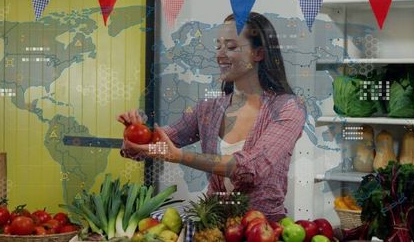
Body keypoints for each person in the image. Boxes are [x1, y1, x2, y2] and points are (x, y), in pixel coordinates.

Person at [117, 12, 306, 221]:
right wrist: (137, 134)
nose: (220, 55)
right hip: (212, 228)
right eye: (219, 46)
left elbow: (251, 168)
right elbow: (159, 144)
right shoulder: (208, 109)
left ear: (258, 53)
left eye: (231, 47)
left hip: (264, 230)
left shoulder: (288, 108)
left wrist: (180, 156)